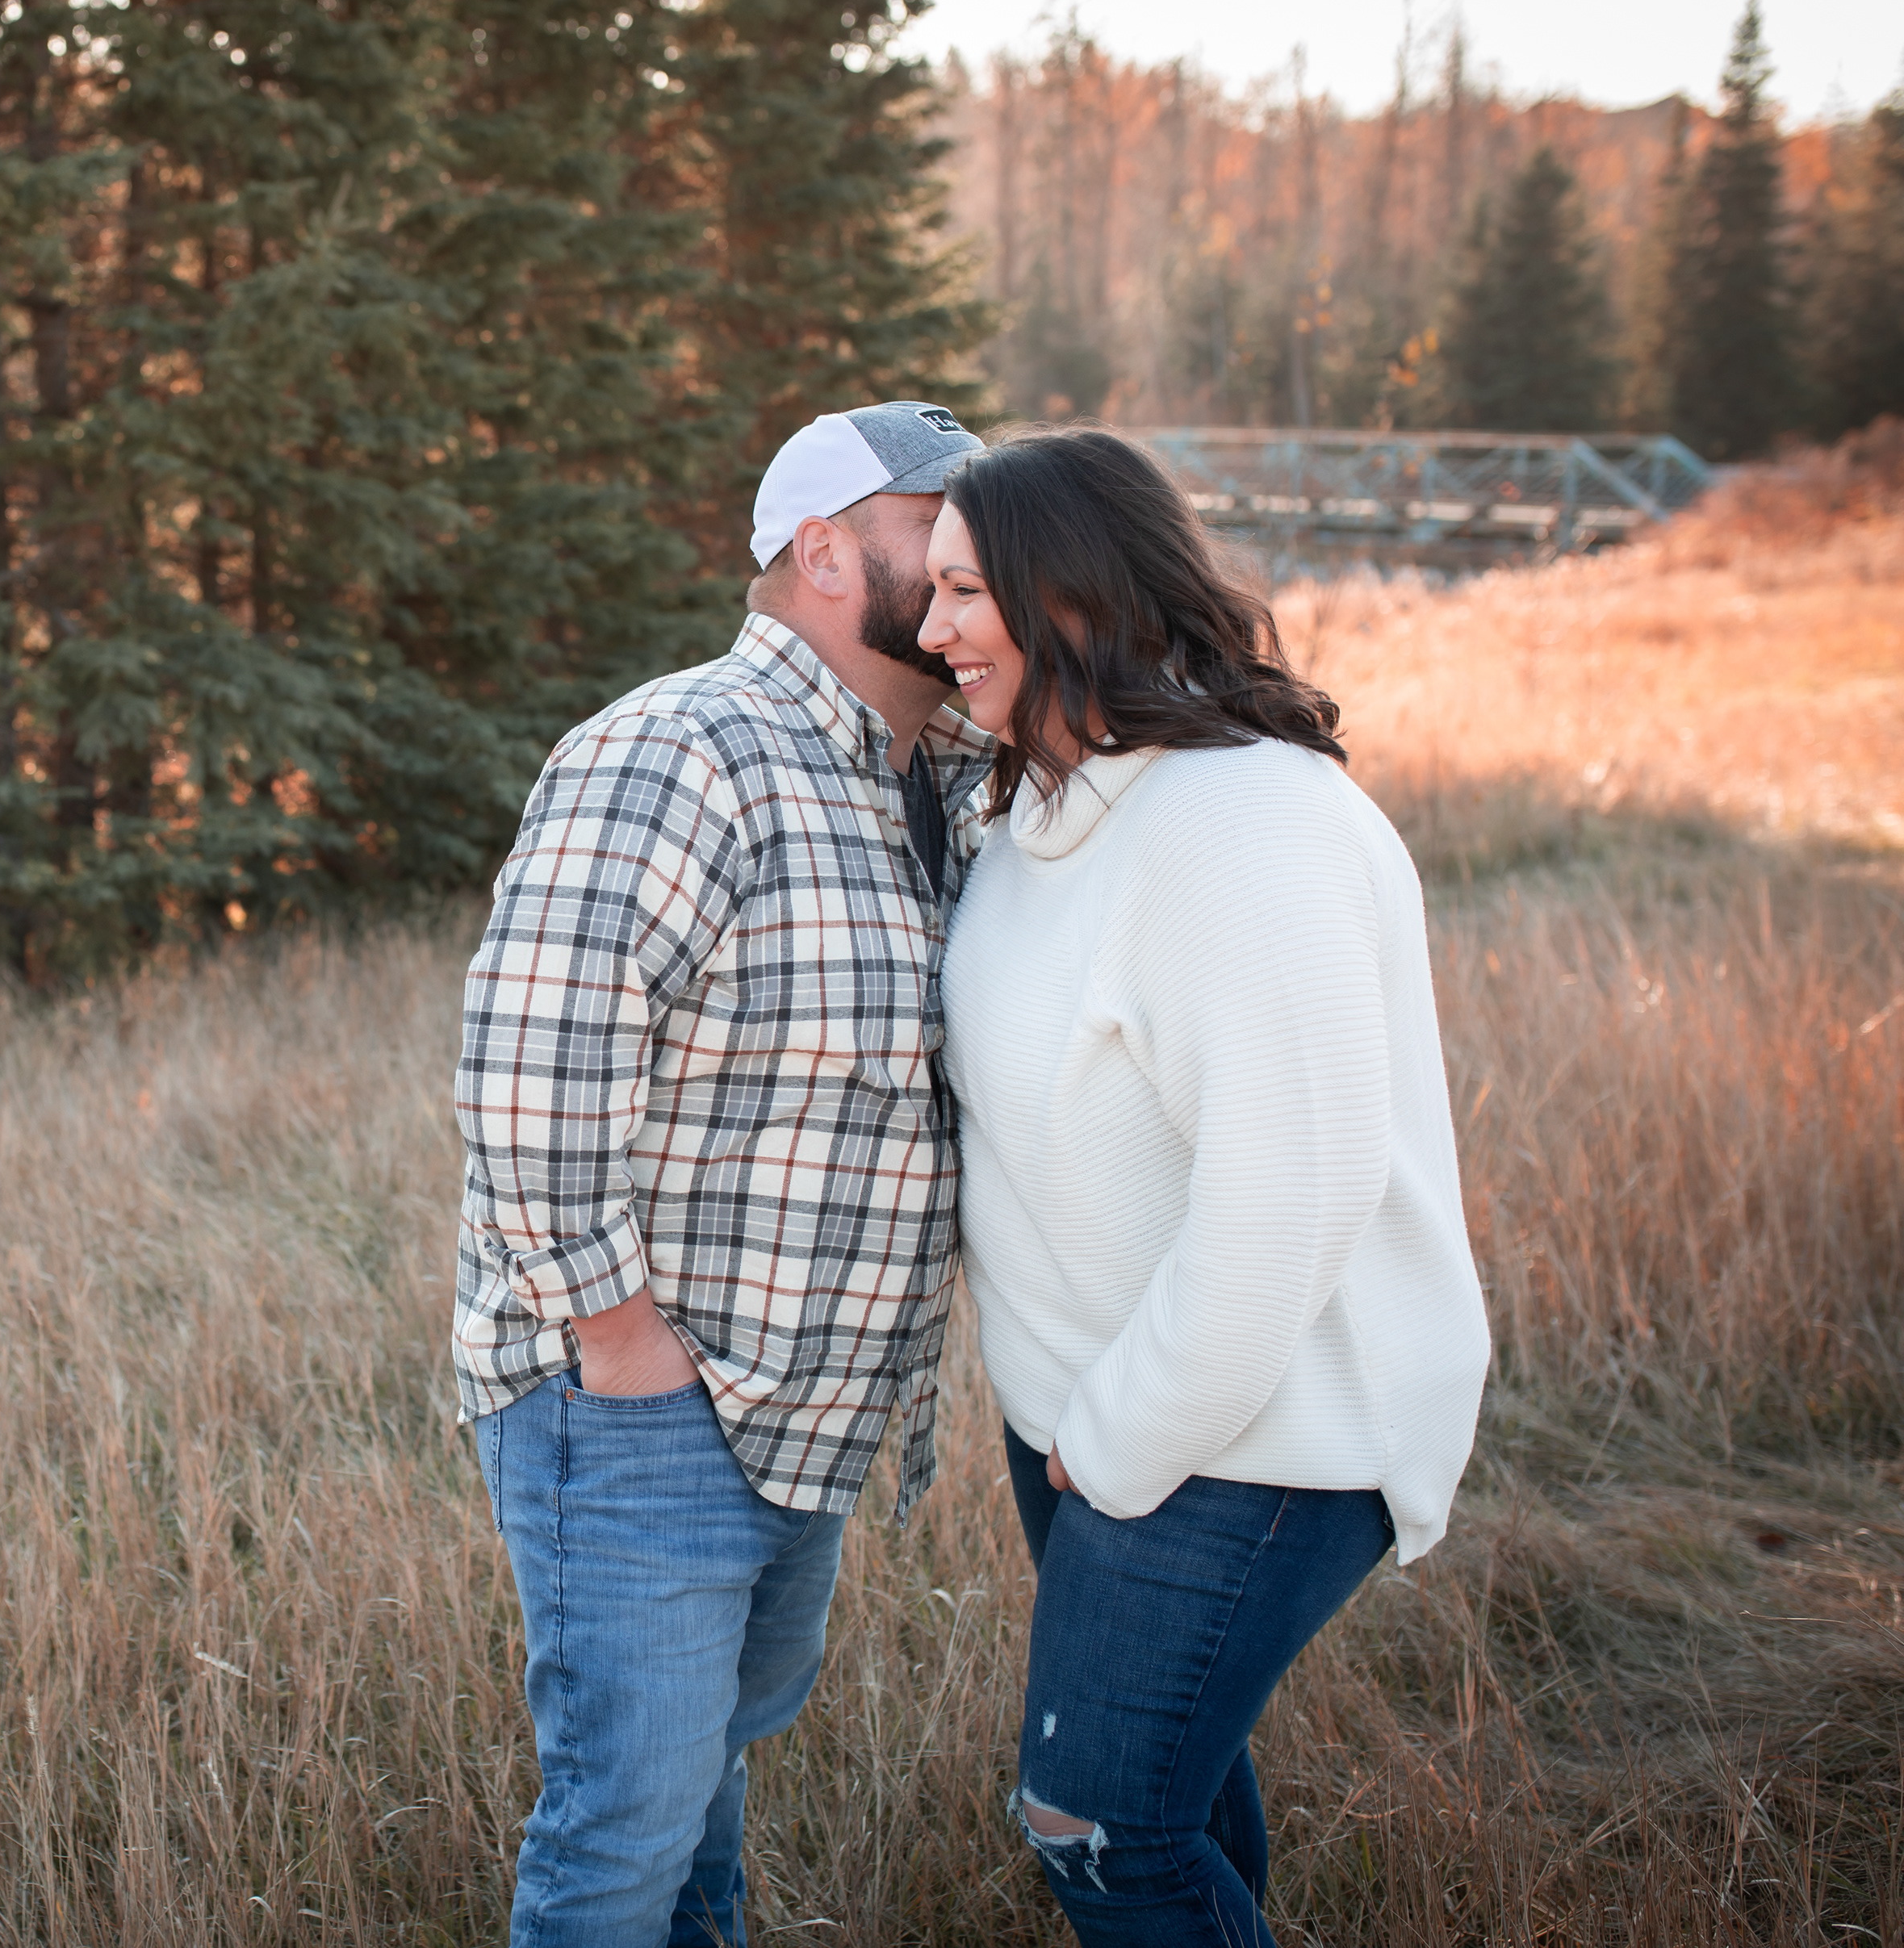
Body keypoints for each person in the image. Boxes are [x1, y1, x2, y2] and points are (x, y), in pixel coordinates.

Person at [916, 424, 1492, 1948]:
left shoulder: (1245, 827)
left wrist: (1117, 1440)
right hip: (1092, 1416)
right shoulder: (1047, 802)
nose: (934, 627)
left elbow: (1289, 1198)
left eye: (967, 591)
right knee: (1172, 1792)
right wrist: (1071, 1423)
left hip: (1253, 1429)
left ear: (1077, 592)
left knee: (1097, 1824)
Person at [454, 399, 995, 1946]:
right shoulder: (679, 750)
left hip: (802, 1412)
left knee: (699, 1811)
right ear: (824, 553)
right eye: (938, 528)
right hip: (647, 1404)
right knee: (623, 1836)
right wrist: (624, 1347)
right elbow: (530, 1075)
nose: (978, 556)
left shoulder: (945, 772)